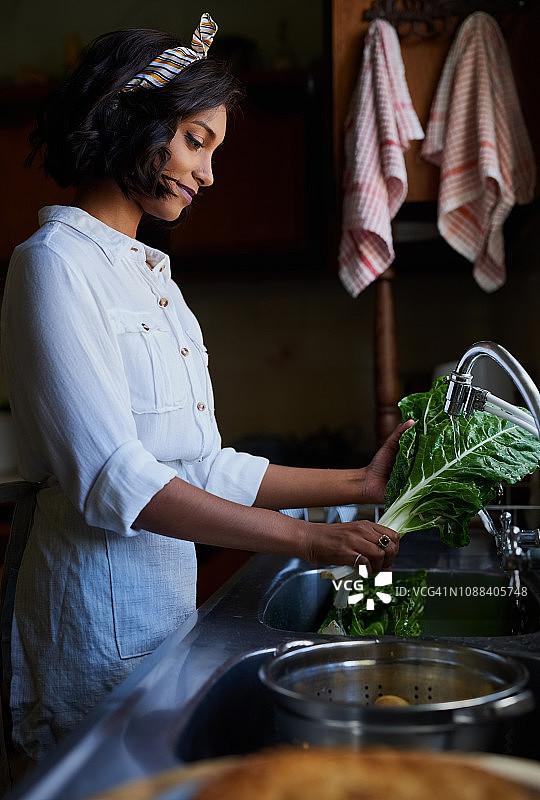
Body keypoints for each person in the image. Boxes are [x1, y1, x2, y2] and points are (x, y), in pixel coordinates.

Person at [0, 13, 411, 770]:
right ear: (130, 120)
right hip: (90, 639)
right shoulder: (54, 263)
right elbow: (112, 480)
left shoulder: (154, 279)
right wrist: (308, 536)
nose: (210, 174)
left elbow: (201, 463)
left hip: (163, 634)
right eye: (197, 141)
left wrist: (355, 482)